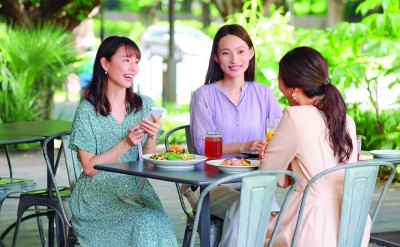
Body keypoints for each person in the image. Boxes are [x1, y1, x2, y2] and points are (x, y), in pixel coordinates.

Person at [224, 46, 370, 247]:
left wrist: (272, 158)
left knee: (243, 224)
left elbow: (269, 176)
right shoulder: (346, 119)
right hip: (352, 224)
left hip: (309, 224)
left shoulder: (295, 116)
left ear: (292, 89)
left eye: (279, 78)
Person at [68, 36, 178, 247]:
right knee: (144, 222)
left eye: (136, 61)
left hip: (136, 190)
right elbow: (89, 168)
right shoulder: (87, 111)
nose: (133, 67)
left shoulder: (144, 105)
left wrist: (152, 136)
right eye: (126, 60)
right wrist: (126, 143)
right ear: (105, 63)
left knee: (157, 220)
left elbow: (146, 161)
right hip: (97, 198)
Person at [183, 24, 282, 246]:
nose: (234, 59)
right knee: (257, 207)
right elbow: (203, 148)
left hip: (254, 181)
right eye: (226, 53)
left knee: (263, 209)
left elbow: (280, 135)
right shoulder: (203, 96)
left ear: (251, 53)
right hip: (211, 185)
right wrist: (244, 145)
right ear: (216, 57)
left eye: (240, 51)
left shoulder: (263, 93)